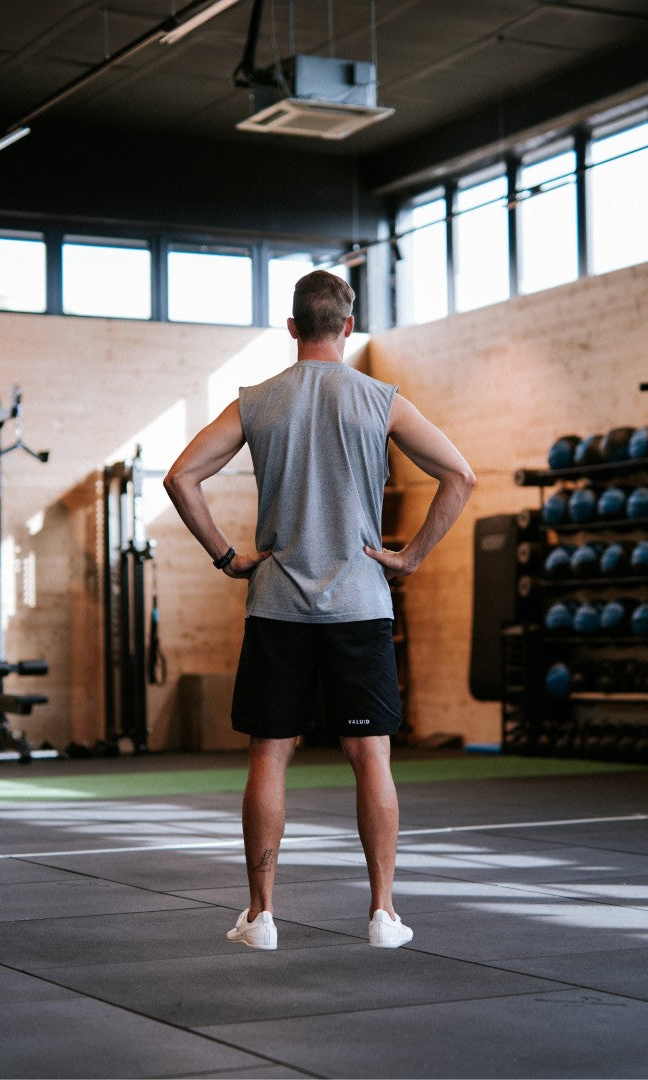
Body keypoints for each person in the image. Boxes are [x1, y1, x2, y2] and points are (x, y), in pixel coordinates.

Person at [163, 270, 475, 951]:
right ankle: (383, 915)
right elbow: (461, 475)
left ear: (292, 327)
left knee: (269, 756)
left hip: (276, 603)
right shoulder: (380, 399)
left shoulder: (257, 400)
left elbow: (180, 477)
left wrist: (225, 556)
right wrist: (411, 555)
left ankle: (261, 916)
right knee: (371, 755)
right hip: (360, 603)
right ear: (348, 327)